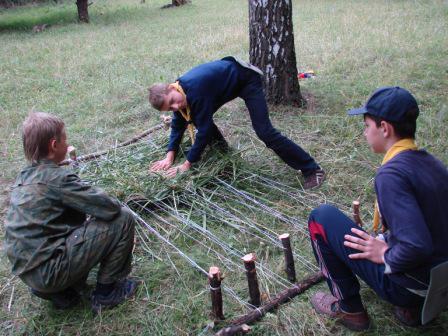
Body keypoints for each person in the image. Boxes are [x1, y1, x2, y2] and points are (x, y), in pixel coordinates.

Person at [307, 87, 448, 331]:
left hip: (413, 286)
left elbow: (417, 244)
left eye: (366, 125)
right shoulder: (430, 162)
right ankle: (413, 310)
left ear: (384, 128)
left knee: (321, 217)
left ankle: (349, 309)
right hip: (441, 281)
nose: (364, 133)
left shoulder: (392, 175)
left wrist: (385, 254)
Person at [4, 112, 139, 313]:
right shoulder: (56, 178)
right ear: (53, 145)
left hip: (30, 271)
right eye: (64, 138)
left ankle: (61, 292)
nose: (67, 144)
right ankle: (106, 293)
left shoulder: (23, 178)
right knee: (124, 217)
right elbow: (109, 208)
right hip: (50, 271)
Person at [148, 56, 325, 189]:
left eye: (173, 100)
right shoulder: (181, 93)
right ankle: (223, 153)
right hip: (225, 83)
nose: (176, 106)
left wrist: (187, 164)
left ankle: (312, 169)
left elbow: (204, 130)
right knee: (197, 119)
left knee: (265, 132)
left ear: (172, 87)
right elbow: (179, 122)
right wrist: (169, 156)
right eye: (170, 108)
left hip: (245, 79)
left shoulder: (195, 90)